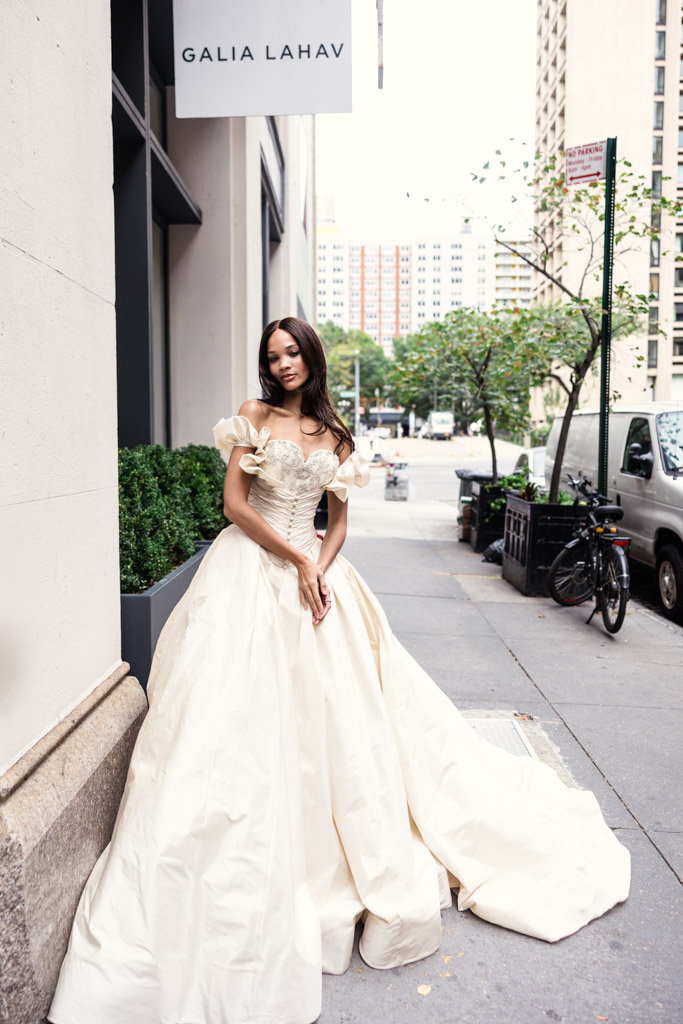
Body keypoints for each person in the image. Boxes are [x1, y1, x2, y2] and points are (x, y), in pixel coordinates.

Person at [48, 317, 630, 1024]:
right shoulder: (253, 416)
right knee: (225, 717)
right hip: (247, 573)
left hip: (313, 576)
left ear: (311, 356)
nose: (283, 364)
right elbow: (233, 506)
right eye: (273, 356)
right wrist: (298, 558)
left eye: (292, 352)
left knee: (340, 723)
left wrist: (318, 570)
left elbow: (339, 523)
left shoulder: (338, 436)